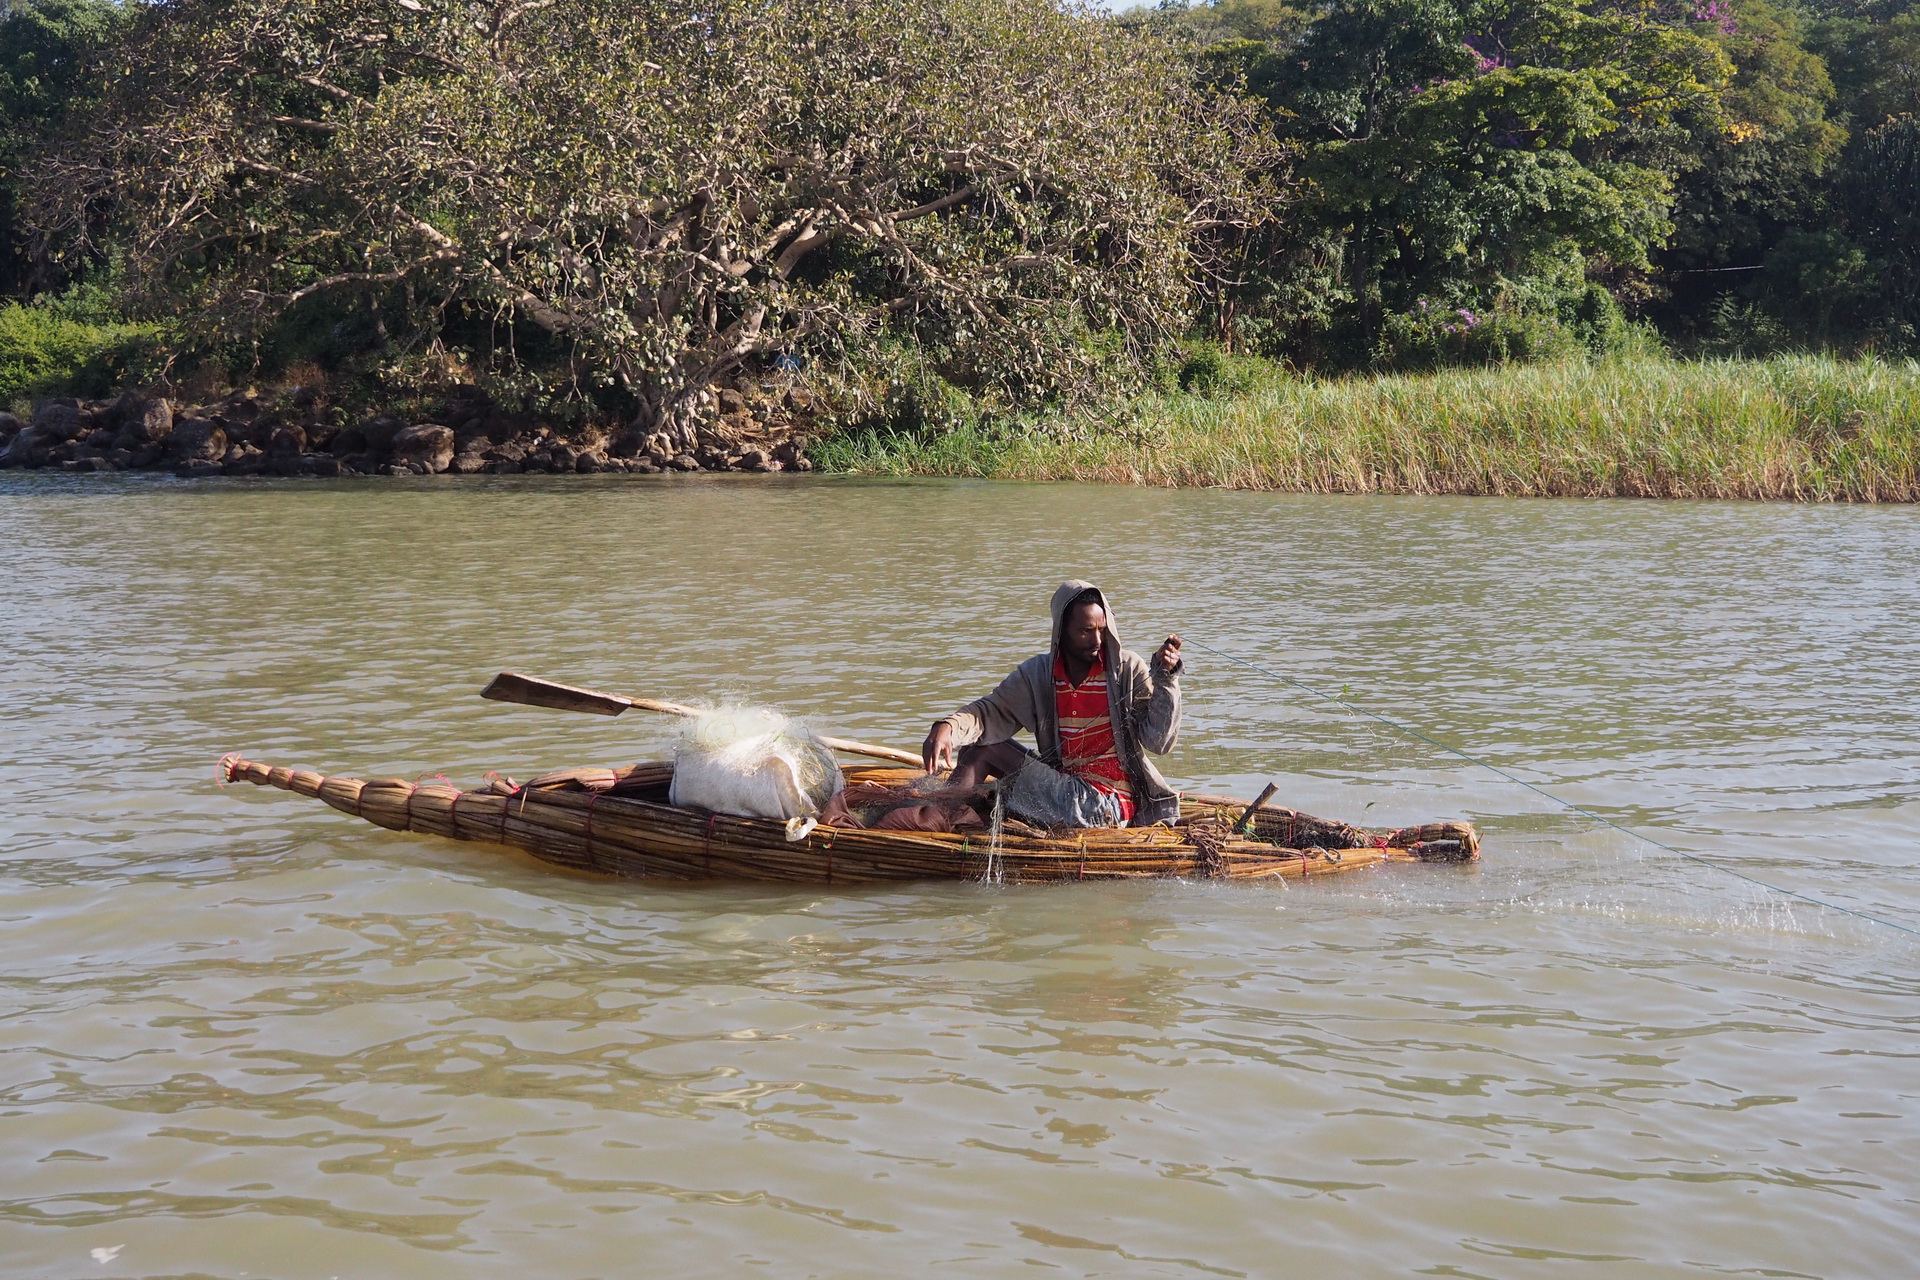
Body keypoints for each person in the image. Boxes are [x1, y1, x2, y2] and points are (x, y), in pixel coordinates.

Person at [919, 580, 1184, 828]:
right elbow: (988, 713)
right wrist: (948, 727)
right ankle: (954, 815)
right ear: (1062, 631)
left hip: (1105, 805)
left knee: (984, 754)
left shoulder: (1126, 670)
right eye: (1085, 631)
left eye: (1102, 630)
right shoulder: (1039, 674)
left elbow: (1158, 742)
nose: (1097, 641)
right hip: (1067, 788)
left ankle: (937, 821)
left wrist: (1165, 678)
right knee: (978, 744)